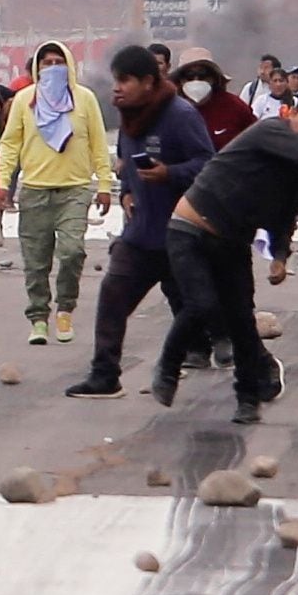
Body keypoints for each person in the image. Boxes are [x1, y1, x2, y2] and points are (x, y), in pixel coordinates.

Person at [151, 90, 298, 423]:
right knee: (200, 305)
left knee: (242, 321)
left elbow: (284, 220)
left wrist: (280, 258)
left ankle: (247, 400)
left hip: (232, 243)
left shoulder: (295, 176)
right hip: (189, 229)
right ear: (292, 114)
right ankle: (167, 368)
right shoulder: (272, 129)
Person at [73, 43, 213, 399]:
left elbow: (208, 165)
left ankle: (234, 361)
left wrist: (171, 173)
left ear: (150, 82)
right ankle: (105, 375)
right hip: (141, 234)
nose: (117, 88)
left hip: (182, 234)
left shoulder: (181, 115)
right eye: (115, 80)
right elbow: (126, 163)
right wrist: (125, 191)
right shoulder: (130, 116)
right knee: (112, 297)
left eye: (126, 80)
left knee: (196, 305)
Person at [0, 37, 114, 346]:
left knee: (73, 251)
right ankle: (38, 317)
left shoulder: (84, 99)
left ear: (69, 65)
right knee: (36, 261)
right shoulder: (25, 100)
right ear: (36, 68)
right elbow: (10, 144)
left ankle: (65, 308)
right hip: (35, 190)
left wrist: (103, 184)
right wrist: (1, 182)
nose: (52, 68)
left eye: (58, 62)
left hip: (75, 189)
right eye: (46, 63)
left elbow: (98, 143)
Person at [172, 54, 258, 149]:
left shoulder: (235, 106)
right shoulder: (170, 110)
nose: (196, 81)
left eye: (202, 75)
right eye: (189, 76)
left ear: (213, 78)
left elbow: (258, 138)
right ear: (180, 81)